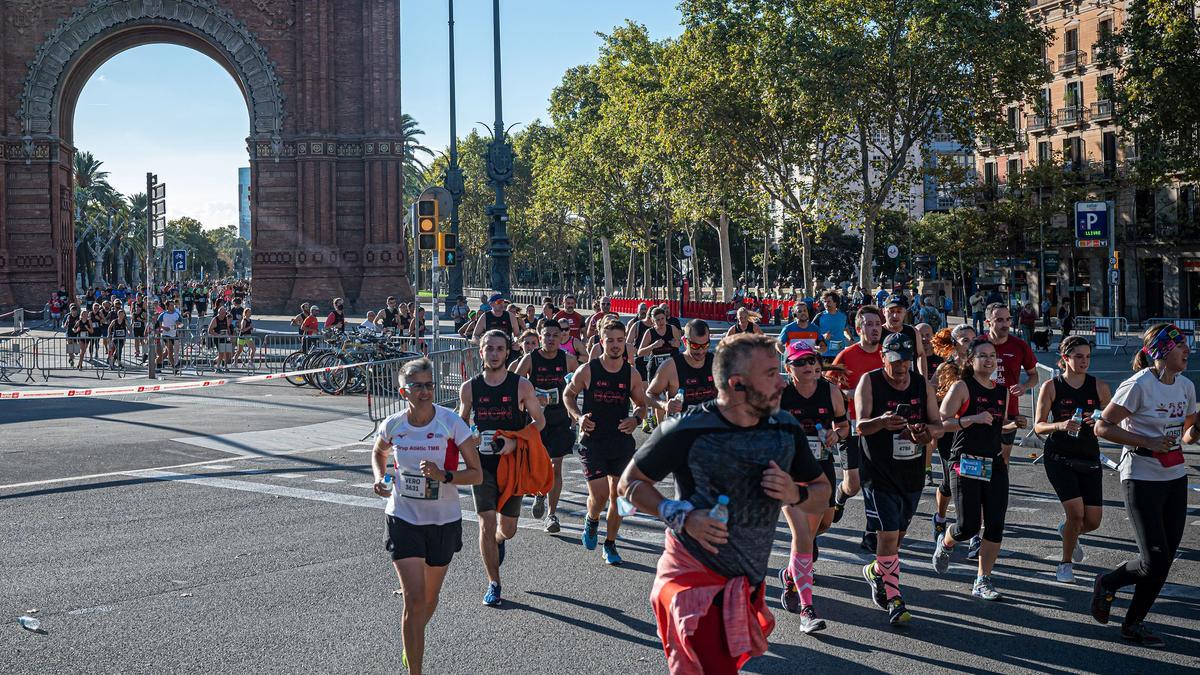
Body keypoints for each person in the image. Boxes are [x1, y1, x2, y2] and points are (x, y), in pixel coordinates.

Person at [617, 333, 831, 674]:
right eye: (771, 374)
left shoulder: (785, 428)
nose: (782, 382)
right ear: (737, 383)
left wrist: (796, 494)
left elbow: (822, 489)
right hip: (693, 578)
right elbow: (630, 484)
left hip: (746, 583)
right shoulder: (687, 428)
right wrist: (681, 516)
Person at [372, 358, 483, 674]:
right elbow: (379, 452)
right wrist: (380, 477)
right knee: (414, 599)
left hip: (443, 520)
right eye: (417, 386)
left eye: (429, 385)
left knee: (429, 600)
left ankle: (412, 640)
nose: (425, 392)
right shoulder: (394, 425)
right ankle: (415, 667)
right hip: (403, 518)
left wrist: (444, 475)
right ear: (403, 390)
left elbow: (475, 475)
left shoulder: (450, 424)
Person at [1091, 324, 1197, 646]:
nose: (1187, 351)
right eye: (1181, 346)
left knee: (1165, 560)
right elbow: (1102, 427)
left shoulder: (1186, 387)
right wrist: (1146, 440)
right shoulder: (1138, 385)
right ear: (1163, 351)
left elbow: (1188, 437)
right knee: (1154, 559)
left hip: (1175, 477)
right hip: (1140, 477)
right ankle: (1108, 582)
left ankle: (1133, 623)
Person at [856, 332, 942, 624]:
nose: (901, 368)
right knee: (888, 534)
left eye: (906, 361)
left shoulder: (920, 384)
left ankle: (876, 571)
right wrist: (882, 421)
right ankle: (894, 598)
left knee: (898, 536)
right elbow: (860, 426)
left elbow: (937, 426)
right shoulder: (869, 381)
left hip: (911, 471)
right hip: (878, 472)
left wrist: (923, 433)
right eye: (895, 362)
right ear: (883, 358)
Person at [458, 330, 546, 607]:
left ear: (507, 352)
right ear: (480, 351)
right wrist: (469, 437)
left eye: (499, 348)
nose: (494, 353)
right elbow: (461, 424)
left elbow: (539, 422)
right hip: (481, 464)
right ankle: (493, 583)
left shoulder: (521, 386)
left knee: (506, 529)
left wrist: (513, 440)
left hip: (513, 462)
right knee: (485, 523)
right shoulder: (469, 388)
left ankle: (499, 540)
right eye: (489, 348)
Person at [932, 338, 1012, 601]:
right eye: (982, 356)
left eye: (993, 356)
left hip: (994, 462)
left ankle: (982, 580)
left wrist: (1015, 423)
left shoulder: (1003, 391)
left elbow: (1001, 424)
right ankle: (946, 542)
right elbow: (942, 423)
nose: (989, 360)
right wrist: (972, 419)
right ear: (970, 360)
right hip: (965, 462)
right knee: (967, 526)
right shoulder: (962, 387)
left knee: (996, 525)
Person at [564, 319, 647, 565]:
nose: (615, 345)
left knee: (619, 497)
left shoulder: (631, 373)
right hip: (593, 441)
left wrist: (636, 419)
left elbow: (641, 405)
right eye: (610, 340)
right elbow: (568, 394)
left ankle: (610, 544)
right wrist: (578, 417)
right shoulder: (588, 369)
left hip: (621, 442)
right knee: (599, 497)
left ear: (625, 343)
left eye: (620, 340)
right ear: (601, 341)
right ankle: (592, 519)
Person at [777, 342, 847, 632]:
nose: (807, 366)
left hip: (820, 470)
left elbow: (844, 427)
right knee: (803, 535)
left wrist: (835, 434)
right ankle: (807, 610)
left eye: (811, 360)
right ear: (788, 367)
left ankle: (791, 575)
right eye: (800, 362)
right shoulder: (779, 394)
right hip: (788, 471)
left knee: (824, 524)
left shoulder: (830, 391)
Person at [1033, 336, 1112, 583]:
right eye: (1078, 356)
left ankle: (1067, 531)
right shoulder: (1051, 386)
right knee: (1076, 514)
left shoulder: (1099, 386)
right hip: (1059, 457)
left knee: (1093, 521)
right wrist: (1061, 425)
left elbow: (1112, 419)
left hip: (1088, 456)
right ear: (1065, 358)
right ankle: (1065, 564)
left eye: (1088, 356)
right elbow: (1038, 427)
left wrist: (1098, 419)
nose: (1084, 361)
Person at [827, 305, 885, 551]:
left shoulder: (887, 354)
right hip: (850, 426)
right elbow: (827, 389)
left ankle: (871, 533)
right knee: (853, 483)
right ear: (859, 329)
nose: (875, 329)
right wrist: (850, 393)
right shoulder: (847, 355)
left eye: (877, 324)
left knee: (876, 483)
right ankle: (840, 496)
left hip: (880, 426)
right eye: (869, 325)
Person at [513, 319, 579, 533]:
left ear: (561, 338)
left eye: (554, 335)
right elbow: (515, 386)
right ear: (540, 337)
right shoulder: (530, 359)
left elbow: (578, 388)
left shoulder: (568, 360)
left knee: (556, 466)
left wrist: (574, 412)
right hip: (535, 420)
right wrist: (529, 400)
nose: (550, 339)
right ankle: (540, 493)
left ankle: (551, 515)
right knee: (536, 465)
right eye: (546, 335)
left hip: (560, 418)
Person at [985, 303, 1037, 562]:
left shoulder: (1019, 346)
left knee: (1001, 462)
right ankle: (981, 516)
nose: (1005, 324)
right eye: (999, 320)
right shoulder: (980, 345)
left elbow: (1034, 375)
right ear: (988, 323)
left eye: (1007, 319)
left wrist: (1025, 387)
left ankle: (995, 505)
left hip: (1009, 415)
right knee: (982, 462)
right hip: (981, 414)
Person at [929, 324, 977, 543]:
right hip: (949, 429)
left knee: (975, 480)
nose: (970, 344)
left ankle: (972, 532)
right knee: (950, 483)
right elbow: (931, 393)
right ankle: (940, 517)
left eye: (973, 340)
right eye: (965, 340)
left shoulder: (980, 366)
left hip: (973, 427)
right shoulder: (944, 368)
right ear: (955, 343)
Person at [645, 319, 718, 419]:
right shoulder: (671, 366)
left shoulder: (716, 362)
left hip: (710, 430)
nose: (701, 351)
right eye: (695, 346)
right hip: (682, 430)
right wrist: (665, 405)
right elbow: (649, 395)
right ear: (684, 341)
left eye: (705, 345)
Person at [637, 307, 682, 408]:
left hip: (672, 366)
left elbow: (680, 343)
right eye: (658, 320)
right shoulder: (650, 332)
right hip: (656, 368)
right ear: (653, 321)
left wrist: (676, 343)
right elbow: (640, 352)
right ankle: (659, 423)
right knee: (658, 398)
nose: (661, 322)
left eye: (662, 319)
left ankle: (671, 419)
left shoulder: (672, 328)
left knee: (673, 396)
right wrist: (653, 346)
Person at [881, 295, 928, 377]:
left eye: (899, 311)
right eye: (891, 311)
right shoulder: (878, 332)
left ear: (905, 312)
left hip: (910, 383)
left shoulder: (912, 331)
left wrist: (924, 379)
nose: (895, 315)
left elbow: (921, 355)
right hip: (885, 382)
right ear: (884, 312)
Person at [812, 291, 852, 360]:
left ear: (835, 302)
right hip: (825, 354)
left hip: (840, 354)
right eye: (825, 302)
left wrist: (850, 338)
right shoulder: (819, 316)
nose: (826, 304)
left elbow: (845, 329)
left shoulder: (843, 316)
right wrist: (823, 336)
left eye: (828, 302)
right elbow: (811, 332)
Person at [208, 305, 235, 373]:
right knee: (221, 352)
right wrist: (217, 335)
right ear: (218, 312)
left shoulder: (226, 318)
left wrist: (229, 335)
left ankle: (225, 366)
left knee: (228, 353)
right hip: (218, 338)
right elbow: (210, 330)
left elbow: (228, 327)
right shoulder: (215, 319)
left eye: (224, 313)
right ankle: (218, 367)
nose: (223, 314)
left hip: (225, 337)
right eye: (222, 313)